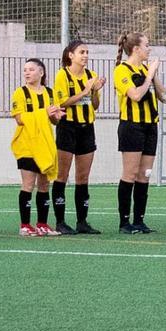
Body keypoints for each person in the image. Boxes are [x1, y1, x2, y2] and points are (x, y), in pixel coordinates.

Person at [52, 40, 105, 234]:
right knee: (62, 175)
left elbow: (95, 105)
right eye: (81, 52)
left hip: (87, 128)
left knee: (83, 177)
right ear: (70, 55)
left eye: (87, 52)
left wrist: (95, 91)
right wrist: (85, 90)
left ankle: (82, 221)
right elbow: (62, 102)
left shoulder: (91, 75)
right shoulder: (62, 75)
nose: (85, 55)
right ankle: (60, 221)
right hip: (67, 127)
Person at [114, 31, 164, 234]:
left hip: (150, 126)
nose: (149, 49)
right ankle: (124, 222)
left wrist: (154, 76)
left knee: (145, 175)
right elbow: (135, 95)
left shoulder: (145, 69)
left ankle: (139, 220)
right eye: (147, 45)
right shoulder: (122, 70)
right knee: (131, 173)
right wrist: (149, 76)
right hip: (131, 126)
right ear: (136, 49)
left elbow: (164, 97)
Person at [11, 59, 65, 236]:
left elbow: (54, 120)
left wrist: (57, 116)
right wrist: (44, 113)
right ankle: (25, 225)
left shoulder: (50, 93)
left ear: (41, 73)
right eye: (25, 70)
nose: (27, 73)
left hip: (45, 144)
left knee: (44, 184)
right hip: (26, 145)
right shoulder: (20, 93)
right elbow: (19, 118)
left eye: (31, 69)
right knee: (28, 184)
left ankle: (42, 223)